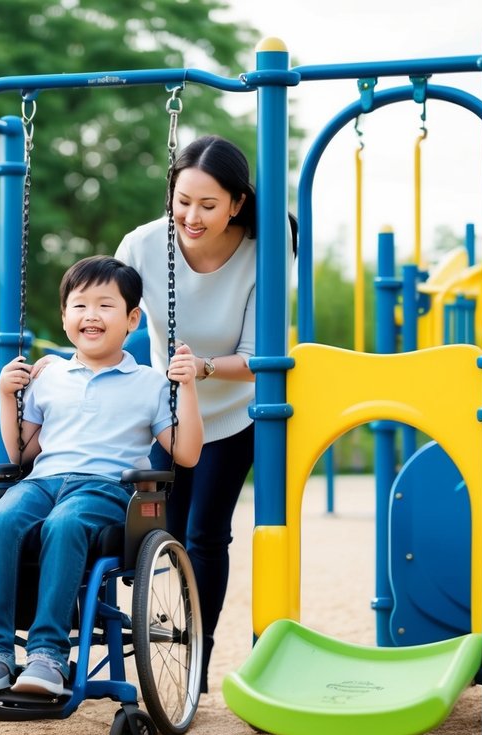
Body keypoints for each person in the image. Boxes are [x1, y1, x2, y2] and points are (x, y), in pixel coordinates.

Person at [0, 255, 203, 696]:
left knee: (66, 524)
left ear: (131, 319)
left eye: (105, 306)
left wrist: (186, 388)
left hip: (107, 487)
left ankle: (48, 655)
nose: (91, 315)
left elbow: (185, 454)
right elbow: (21, 452)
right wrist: (4, 393)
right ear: (65, 317)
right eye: (80, 305)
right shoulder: (47, 377)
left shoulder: (148, 382)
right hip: (43, 481)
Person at [114, 134, 293, 693]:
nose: (191, 216)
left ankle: (198, 655)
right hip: (168, 412)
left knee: (206, 534)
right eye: (182, 200)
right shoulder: (143, 247)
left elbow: (263, 355)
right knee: (150, 532)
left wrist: (206, 370)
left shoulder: (267, 245)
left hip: (234, 409)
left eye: (209, 205)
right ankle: (160, 627)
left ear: (237, 203)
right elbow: (112, 317)